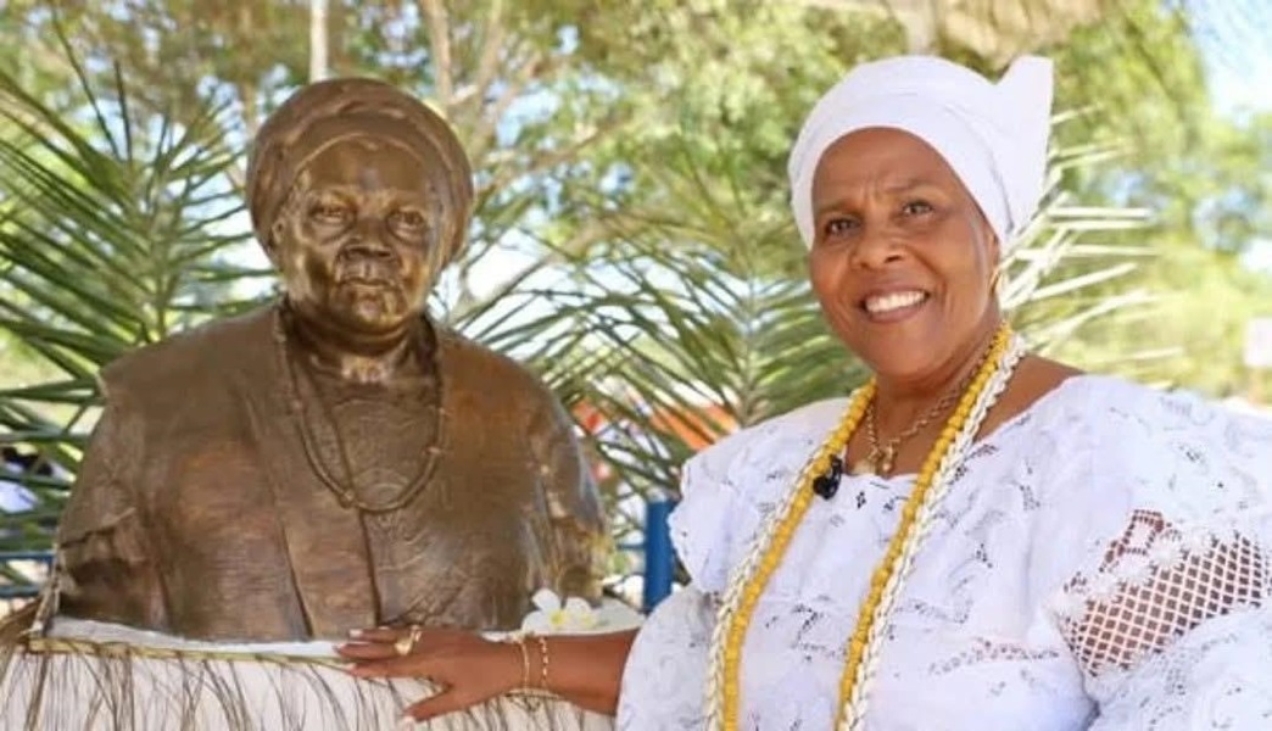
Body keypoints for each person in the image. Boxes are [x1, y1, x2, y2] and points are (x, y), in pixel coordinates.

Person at [337, 55, 1272, 729]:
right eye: (839, 224)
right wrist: (510, 658)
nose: (877, 248)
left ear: (992, 234)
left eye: (917, 208)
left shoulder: (1107, 461)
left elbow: (1212, 699)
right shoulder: (783, 467)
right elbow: (703, 668)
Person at [0, 77, 619, 730]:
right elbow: (91, 654)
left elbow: (576, 607)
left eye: (409, 220)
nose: (373, 242)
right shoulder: (157, 400)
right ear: (277, 230)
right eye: (331, 211)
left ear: (445, 242)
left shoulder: (519, 409)